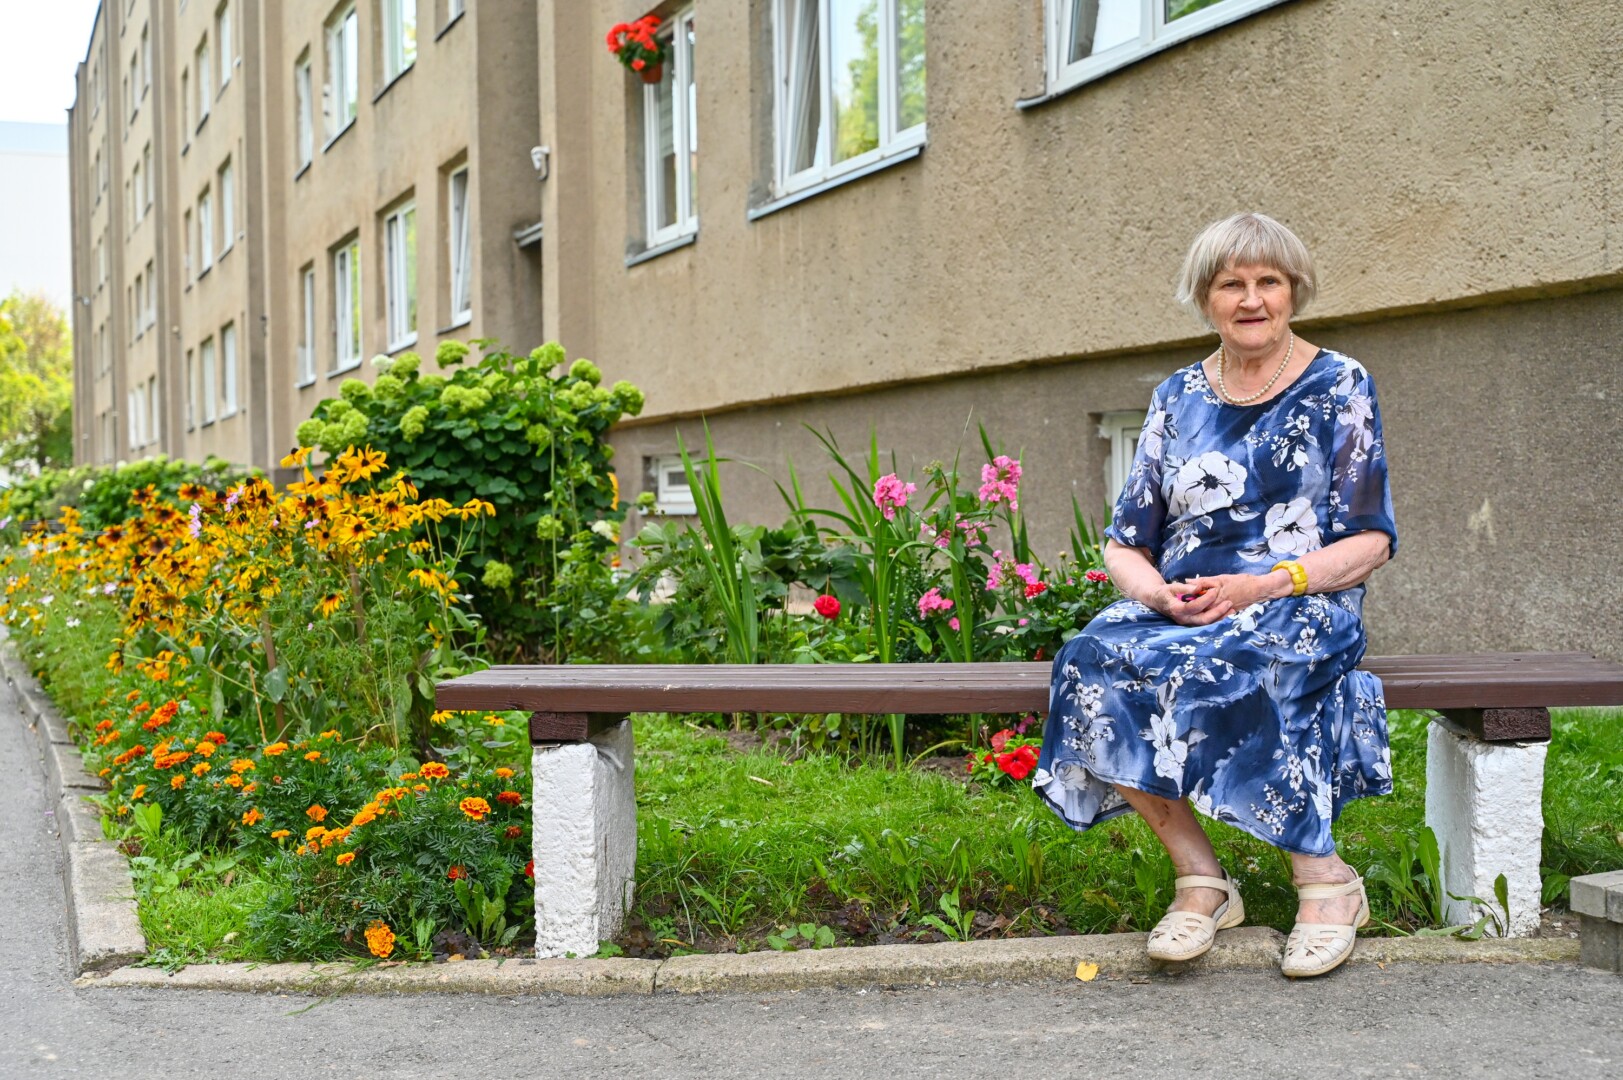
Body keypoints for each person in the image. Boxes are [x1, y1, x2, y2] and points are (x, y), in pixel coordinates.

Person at [1032, 212, 1398, 978]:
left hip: (1298, 597)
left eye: (1268, 281)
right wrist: (1158, 597)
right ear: (1205, 298)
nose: (1251, 298)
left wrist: (1263, 584)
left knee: (1244, 656)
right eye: (1231, 283)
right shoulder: (1175, 397)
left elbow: (1370, 541)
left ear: (1293, 291)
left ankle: (1324, 880)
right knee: (1090, 658)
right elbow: (1125, 541)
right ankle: (1201, 879)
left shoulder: (1340, 383)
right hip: (1191, 599)